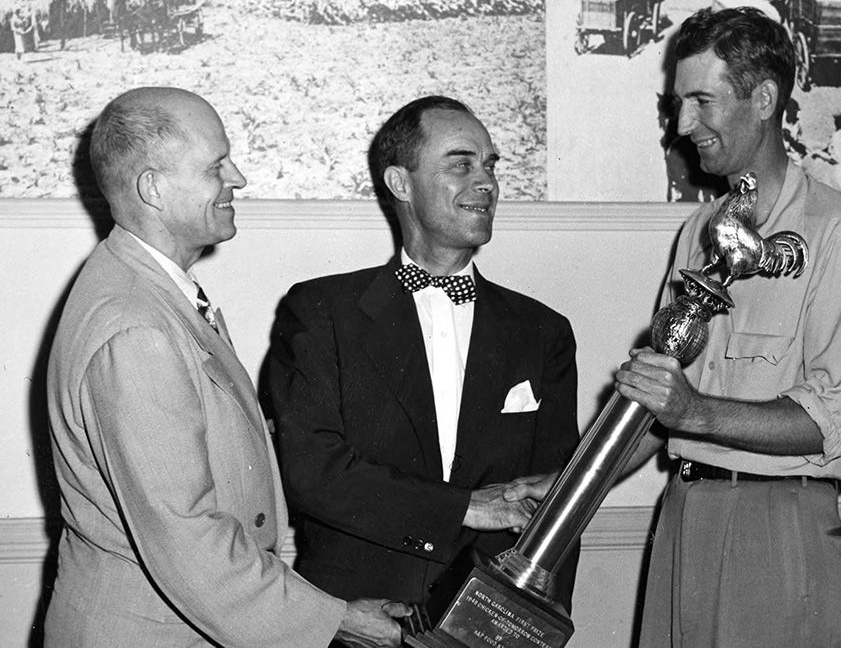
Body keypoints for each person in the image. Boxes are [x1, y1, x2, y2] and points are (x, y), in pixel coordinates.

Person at [44, 87, 411, 646]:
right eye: (216, 166)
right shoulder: (137, 327)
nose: (236, 177)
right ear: (153, 189)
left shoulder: (149, 293)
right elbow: (187, 536)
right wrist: (335, 621)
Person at [615, 7, 841, 647]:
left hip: (778, 526)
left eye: (702, 101)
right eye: (678, 102)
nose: (682, 126)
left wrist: (695, 412)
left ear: (763, 98)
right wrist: (554, 488)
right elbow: (662, 409)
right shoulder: (697, 231)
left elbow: (835, 420)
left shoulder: (839, 233)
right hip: (684, 519)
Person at [264, 95, 580, 622]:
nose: (487, 182)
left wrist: (535, 617)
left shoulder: (543, 331)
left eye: (490, 166)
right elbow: (311, 471)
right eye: (461, 164)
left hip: (488, 627)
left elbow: (561, 498)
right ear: (401, 184)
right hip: (356, 621)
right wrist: (465, 508)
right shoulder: (320, 312)